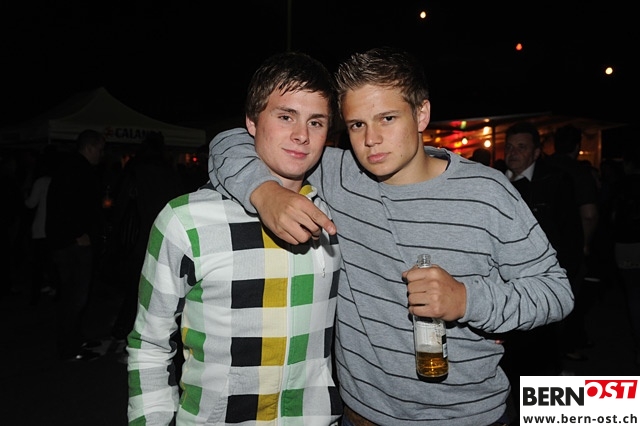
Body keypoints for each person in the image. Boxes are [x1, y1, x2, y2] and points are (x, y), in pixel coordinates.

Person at [209, 46, 574, 426]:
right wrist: (264, 192)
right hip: (360, 416)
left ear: (421, 114)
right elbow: (230, 141)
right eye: (357, 125)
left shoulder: (487, 192)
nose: (371, 139)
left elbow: (555, 292)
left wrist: (468, 300)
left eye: (387, 118)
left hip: (469, 416)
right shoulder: (338, 174)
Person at [127, 51, 343, 425]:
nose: (302, 135)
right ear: (252, 122)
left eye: (316, 122)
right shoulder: (185, 221)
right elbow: (149, 345)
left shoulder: (336, 216)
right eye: (286, 116)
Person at [500, 121, 583, 410]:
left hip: (540, 284)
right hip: (503, 288)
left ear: (536, 152)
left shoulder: (555, 183)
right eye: (509, 147)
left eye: (521, 147)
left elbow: (571, 234)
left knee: (539, 358)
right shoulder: (493, 181)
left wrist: (567, 277)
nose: (513, 153)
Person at [109, 131, 186, 363]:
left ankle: (125, 336)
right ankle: (146, 342)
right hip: (163, 237)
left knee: (136, 289)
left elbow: (120, 205)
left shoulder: (135, 170)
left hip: (137, 238)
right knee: (157, 294)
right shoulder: (168, 172)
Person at [46, 129, 106, 361]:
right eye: (99, 149)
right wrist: (77, 234)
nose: (101, 154)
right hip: (72, 244)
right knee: (74, 297)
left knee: (76, 296)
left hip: (69, 241)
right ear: (89, 147)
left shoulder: (73, 168)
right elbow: (66, 205)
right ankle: (69, 347)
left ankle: (76, 339)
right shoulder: (76, 170)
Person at [547, 124, 600, 360]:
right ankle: (563, 349)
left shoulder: (543, 168)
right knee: (568, 298)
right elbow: (589, 214)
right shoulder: (578, 172)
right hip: (568, 248)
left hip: (542, 246)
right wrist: (585, 244)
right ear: (577, 147)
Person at [611, 144, 640, 366]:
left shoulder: (620, 185)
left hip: (627, 243)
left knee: (633, 293)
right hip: (630, 241)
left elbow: (612, 216)